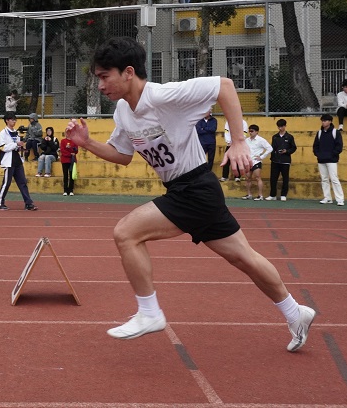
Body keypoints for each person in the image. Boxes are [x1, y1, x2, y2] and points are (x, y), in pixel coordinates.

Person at [64, 37, 315, 352]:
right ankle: (296, 312)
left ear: (128, 72)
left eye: (104, 76)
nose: (100, 85)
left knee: (126, 233)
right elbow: (122, 155)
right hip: (191, 191)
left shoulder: (163, 96)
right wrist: (87, 143)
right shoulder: (123, 112)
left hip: (194, 188)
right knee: (243, 257)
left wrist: (239, 141)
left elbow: (224, 86)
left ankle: (149, 313)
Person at [0, 111, 37, 211]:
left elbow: (17, 147)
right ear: (7, 121)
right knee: (6, 183)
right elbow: (3, 147)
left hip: (17, 160)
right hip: (8, 161)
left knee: (23, 182)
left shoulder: (16, 133)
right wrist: (16, 144)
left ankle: (28, 203)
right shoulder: (3, 133)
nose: (14, 121)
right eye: (12, 120)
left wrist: (21, 148)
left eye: (15, 120)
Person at [314, 113, 344, 206]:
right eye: (322, 121)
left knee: (334, 179)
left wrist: (332, 155)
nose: (323, 122)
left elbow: (339, 146)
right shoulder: (319, 133)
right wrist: (318, 155)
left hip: (332, 160)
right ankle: (327, 198)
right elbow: (315, 146)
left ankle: (340, 199)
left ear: (330, 121)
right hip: (321, 160)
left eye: (325, 121)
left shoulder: (336, 132)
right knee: (324, 179)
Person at [266, 119, 297, 201]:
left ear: (285, 126)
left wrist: (287, 151)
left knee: (285, 178)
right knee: (273, 178)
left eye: (281, 126)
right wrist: (273, 157)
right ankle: (273, 195)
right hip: (275, 160)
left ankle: (283, 194)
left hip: (285, 161)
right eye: (279, 127)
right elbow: (272, 148)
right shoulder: (275, 137)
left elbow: (294, 148)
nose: (280, 128)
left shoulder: (289, 137)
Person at [241, 124, 272, 201]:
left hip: (256, 161)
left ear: (257, 132)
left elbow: (270, 148)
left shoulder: (261, 140)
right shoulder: (247, 140)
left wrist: (261, 157)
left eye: (252, 131)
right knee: (248, 178)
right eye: (249, 131)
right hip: (248, 161)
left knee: (257, 177)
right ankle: (249, 194)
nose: (250, 132)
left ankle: (260, 195)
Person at [220, 117, 247, 182]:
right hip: (230, 144)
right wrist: (228, 141)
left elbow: (244, 133)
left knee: (238, 160)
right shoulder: (228, 122)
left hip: (238, 145)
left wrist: (238, 142)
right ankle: (224, 176)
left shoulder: (243, 123)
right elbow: (226, 132)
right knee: (227, 161)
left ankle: (237, 177)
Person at [60, 131, 79, 196]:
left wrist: (71, 148)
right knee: (65, 175)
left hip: (72, 160)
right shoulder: (63, 141)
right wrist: (70, 153)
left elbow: (76, 150)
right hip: (65, 160)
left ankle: (71, 190)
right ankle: (65, 190)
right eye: (67, 133)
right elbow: (62, 150)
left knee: (71, 176)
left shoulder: (74, 141)